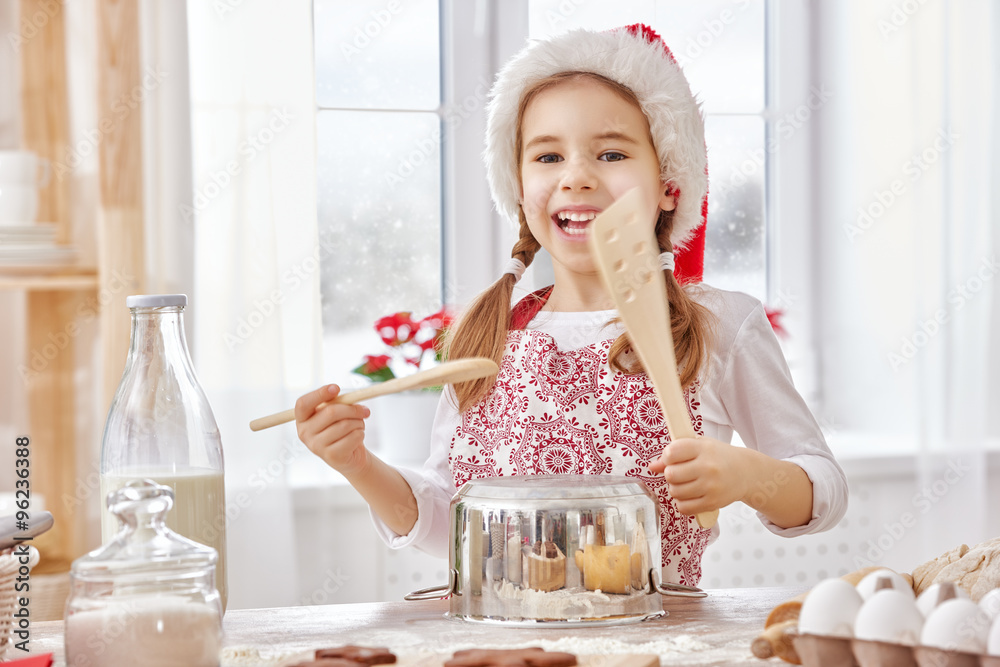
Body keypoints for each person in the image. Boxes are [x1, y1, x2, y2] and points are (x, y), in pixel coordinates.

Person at [295, 24, 848, 586]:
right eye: (548, 156)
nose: (576, 177)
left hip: (656, 644)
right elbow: (449, 525)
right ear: (517, 186)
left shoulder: (720, 326)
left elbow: (823, 490)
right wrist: (357, 465)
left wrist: (750, 477)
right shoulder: (487, 337)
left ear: (669, 184)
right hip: (505, 644)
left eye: (610, 153)